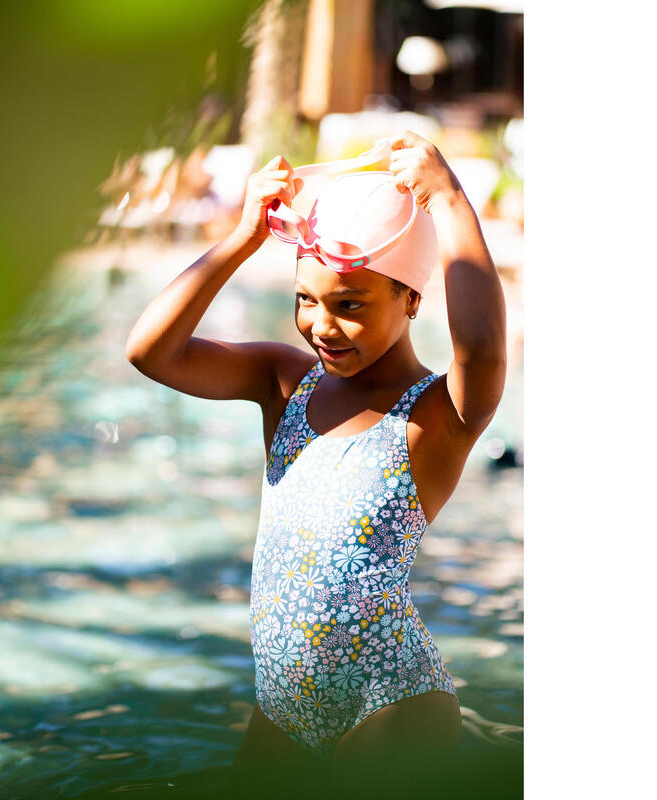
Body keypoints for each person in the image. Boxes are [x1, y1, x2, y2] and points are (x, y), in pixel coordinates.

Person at [125, 130, 506, 797]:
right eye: (307, 299)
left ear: (411, 299)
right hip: (283, 708)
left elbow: (484, 351)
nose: (322, 326)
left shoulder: (435, 418)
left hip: (390, 708)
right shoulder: (284, 383)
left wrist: (446, 197)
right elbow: (151, 351)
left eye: (349, 305)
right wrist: (244, 235)